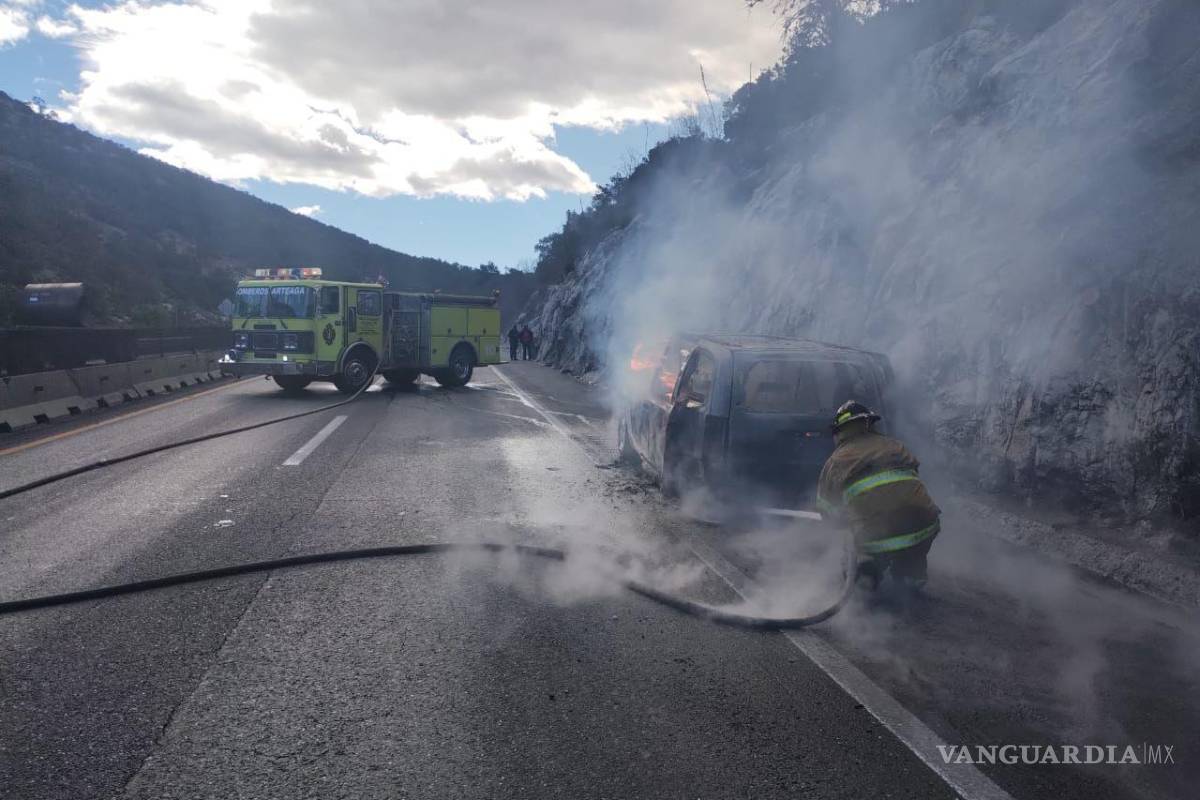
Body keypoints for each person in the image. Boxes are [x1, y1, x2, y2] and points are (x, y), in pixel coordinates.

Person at [816, 400, 941, 591]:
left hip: (876, 535)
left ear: (840, 432)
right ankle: (911, 575)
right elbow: (911, 484)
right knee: (911, 555)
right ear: (869, 424)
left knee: (854, 541)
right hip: (925, 525)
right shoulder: (896, 446)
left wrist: (843, 522)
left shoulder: (837, 460)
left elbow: (826, 508)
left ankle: (865, 575)